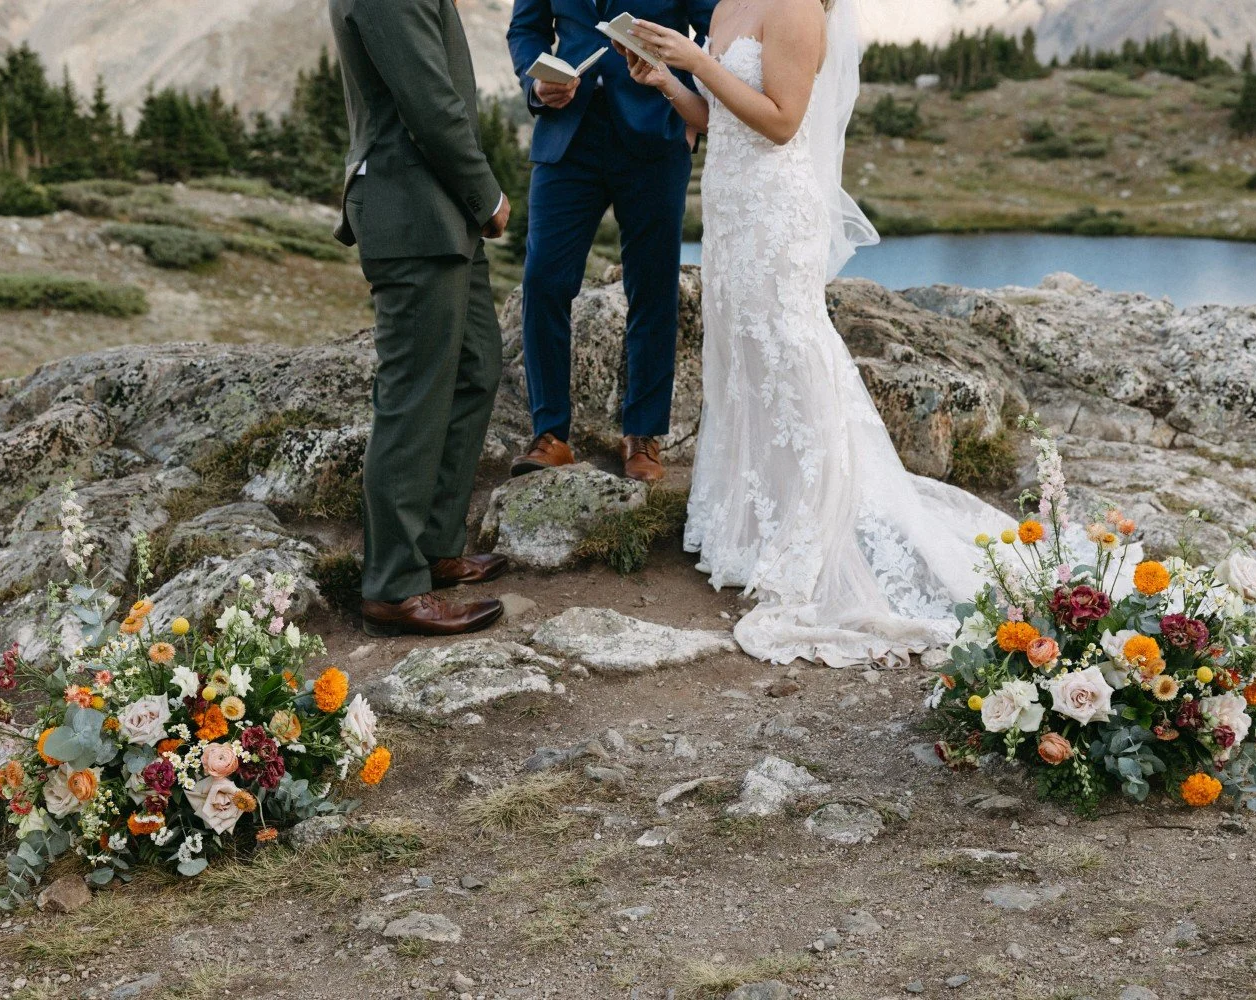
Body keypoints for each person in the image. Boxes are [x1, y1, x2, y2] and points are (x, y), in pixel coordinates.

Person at [619, 0, 1023, 666]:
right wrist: (668, 82)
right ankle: (756, 524)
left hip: (778, 206)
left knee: (791, 350)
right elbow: (720, 118)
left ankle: (825, 522)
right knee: (746, 357)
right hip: (730, 206)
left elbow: (781, 122)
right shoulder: (725, 7)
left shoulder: (798, 5)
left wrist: (694, 61)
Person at [330, 0, 511, 637]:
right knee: (413, 395)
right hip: (412, 210)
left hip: (439, 213)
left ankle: (435, 546)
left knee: (474, 368)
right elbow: (428, 100)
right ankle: (393, 585)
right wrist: (484, 192)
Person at [506, 0, 718, 482]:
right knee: (544, 281)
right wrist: (536, 85)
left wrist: (685, 106)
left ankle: (643, 435)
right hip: (568, 133)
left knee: (652, 286)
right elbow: (525, 31)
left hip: (656, 137)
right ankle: (550, 434)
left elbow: (715, 33)